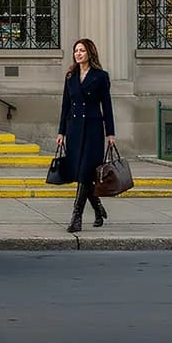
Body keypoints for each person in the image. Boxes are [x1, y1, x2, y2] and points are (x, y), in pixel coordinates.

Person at [54, 37, 116, 234]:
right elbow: (65, 105)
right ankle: (97, 208)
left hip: (93, 129)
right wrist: (61, 131)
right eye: (75, 51)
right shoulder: (70, 76)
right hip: (74, 129)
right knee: (82, 173)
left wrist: (110, 133)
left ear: (89, 52)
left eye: (81, 50)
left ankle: (76, 217)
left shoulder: (100, 76)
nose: (77, 54)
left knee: (85, 172)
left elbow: (106, 105)